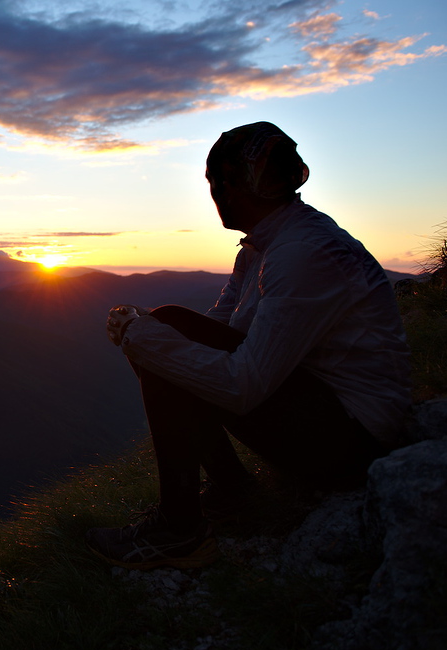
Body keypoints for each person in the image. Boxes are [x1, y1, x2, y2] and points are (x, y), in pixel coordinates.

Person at [85, 121, 411, 571]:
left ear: (246, 185)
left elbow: (245, 385)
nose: (217, 193)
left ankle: (180, 531)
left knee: (161, 340)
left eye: (222, 182)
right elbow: (215, 329)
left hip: (354, 441)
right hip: (330, 409)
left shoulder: (302, 253)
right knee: (168, 327)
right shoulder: (264, 248)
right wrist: (152, 332)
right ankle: (233, 492)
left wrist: (143, 339)